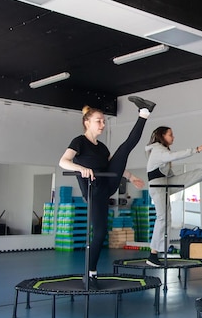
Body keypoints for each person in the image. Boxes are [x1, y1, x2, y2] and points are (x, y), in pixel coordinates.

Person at [59, 96, 155, 289]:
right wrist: (80, 168)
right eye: (99, 121)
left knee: (125, 148)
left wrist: (131, 177)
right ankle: (91, 272)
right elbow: (63, 161)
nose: (103, 124)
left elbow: (115, 164)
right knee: (101, 232)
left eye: (104, 121)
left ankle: (144, 113)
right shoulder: (79, 142)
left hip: (107, 185)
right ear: (87, 123)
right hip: (94, 192)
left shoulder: (102, 147)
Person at [145, 126, 202, 266]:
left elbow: (168, 172)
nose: (173, 137)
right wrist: (195, 150)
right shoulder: (157, 150)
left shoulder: (162, 150)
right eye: (170, 135)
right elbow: (173, 156)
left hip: (164, 183)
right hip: (158, 186)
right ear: (162, 136)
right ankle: (153, 255)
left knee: (189, 177)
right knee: (163, 218)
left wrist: (180, 180)